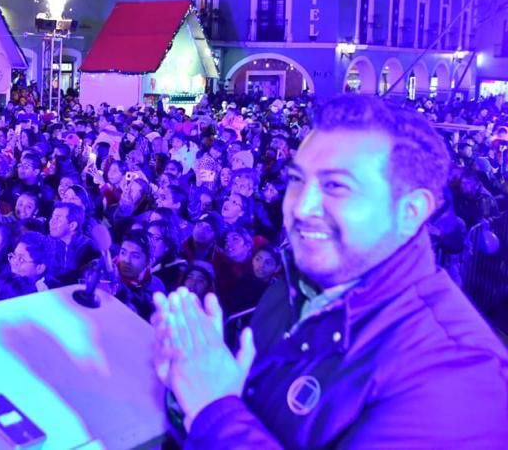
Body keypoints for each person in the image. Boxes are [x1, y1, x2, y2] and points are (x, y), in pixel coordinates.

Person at [153, 94, 508, 447]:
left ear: (410, 212)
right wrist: (190, 389)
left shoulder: (457, 375)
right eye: (297, 180)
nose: (301, 207)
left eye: (336, 186)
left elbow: (225, 416)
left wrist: (214, 410)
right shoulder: (289, 292)